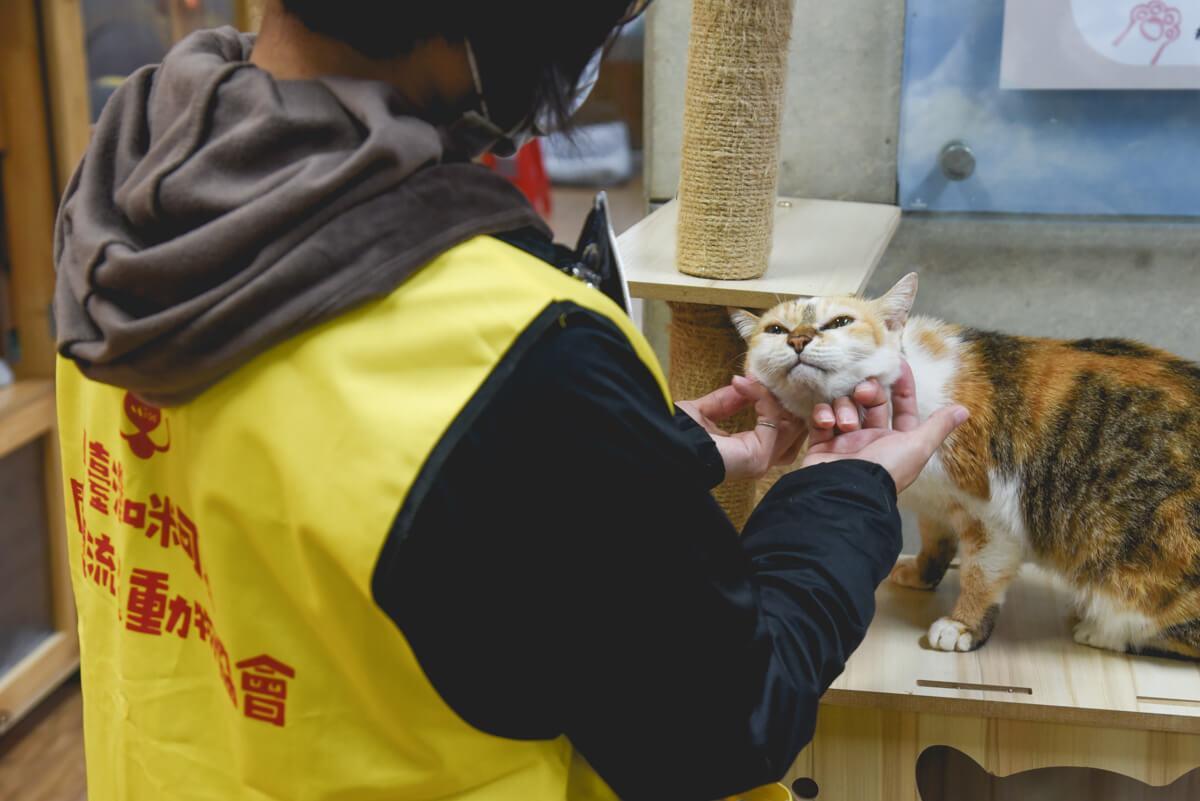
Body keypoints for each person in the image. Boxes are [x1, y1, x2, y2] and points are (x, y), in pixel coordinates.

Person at [52, 2, 966, 800]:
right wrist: (840, 495)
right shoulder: (519, 345)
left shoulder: (132, 213)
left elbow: (308, 498)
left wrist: (632, 463)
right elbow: (724, 723)